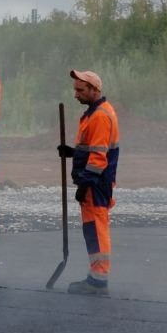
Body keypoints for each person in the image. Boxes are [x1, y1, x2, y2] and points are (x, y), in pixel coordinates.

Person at [58, 70, 119, 295]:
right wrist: (73, 153)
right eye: (75, 89)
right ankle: (96, 275)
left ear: (94, 90)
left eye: (80, 90)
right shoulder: (93, 114)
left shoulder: (101, 116)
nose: (76, 94)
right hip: (94, 181)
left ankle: (98, 280)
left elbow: (98, 157)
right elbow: (92, 149)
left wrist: (85, 184)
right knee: (92, 229)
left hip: (96, 183)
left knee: (96, 229)